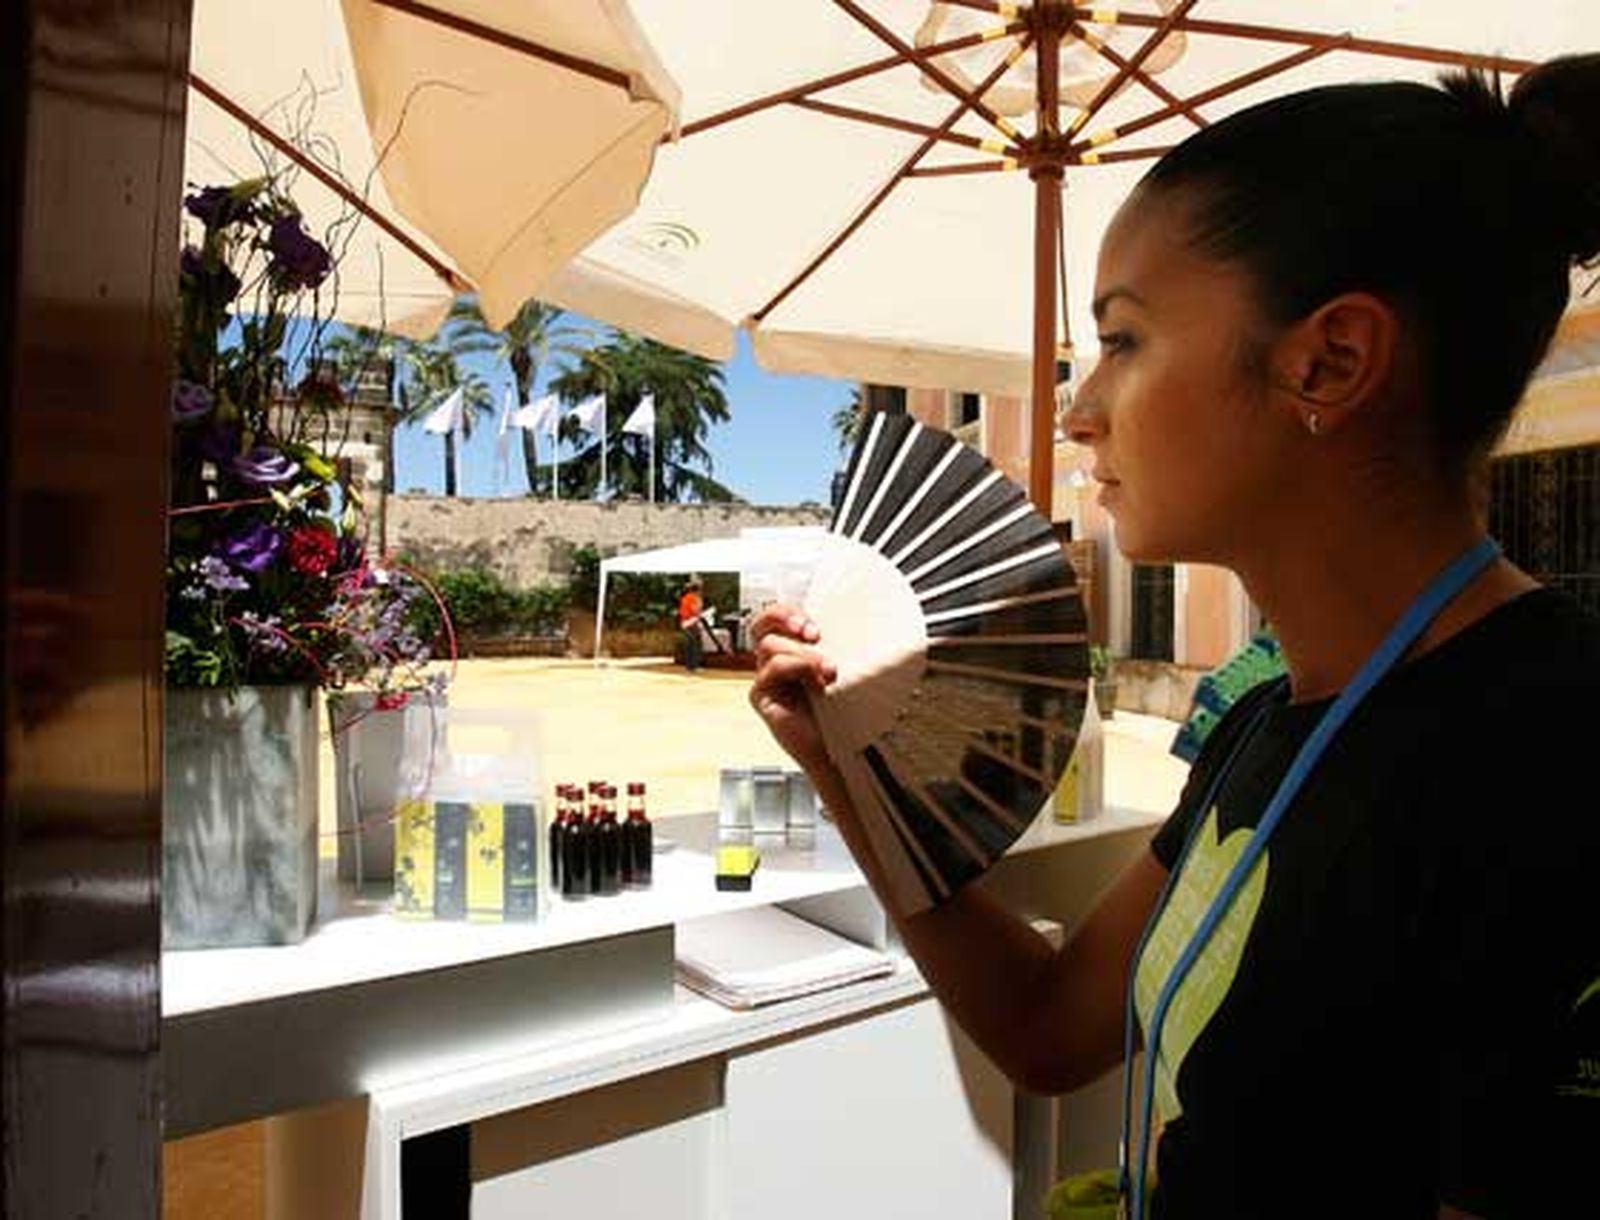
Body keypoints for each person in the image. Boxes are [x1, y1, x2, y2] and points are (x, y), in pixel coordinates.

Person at [750, 55, 1600, 1219]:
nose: (1076, 409)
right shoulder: (1264, 721)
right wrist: (849, 764)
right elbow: (1050, 1025)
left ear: (1330, 361)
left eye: (1124, 339)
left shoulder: (1550, 752)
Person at [678, 576, 705, 672]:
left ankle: (689, 666)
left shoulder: (685, 598)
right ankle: (694, 666)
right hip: (692, 622)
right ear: (697, 590)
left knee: (690, 645)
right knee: (695, 645)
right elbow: (695, 610)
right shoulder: (694, 598)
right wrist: (701, 613)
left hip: (685, 622)